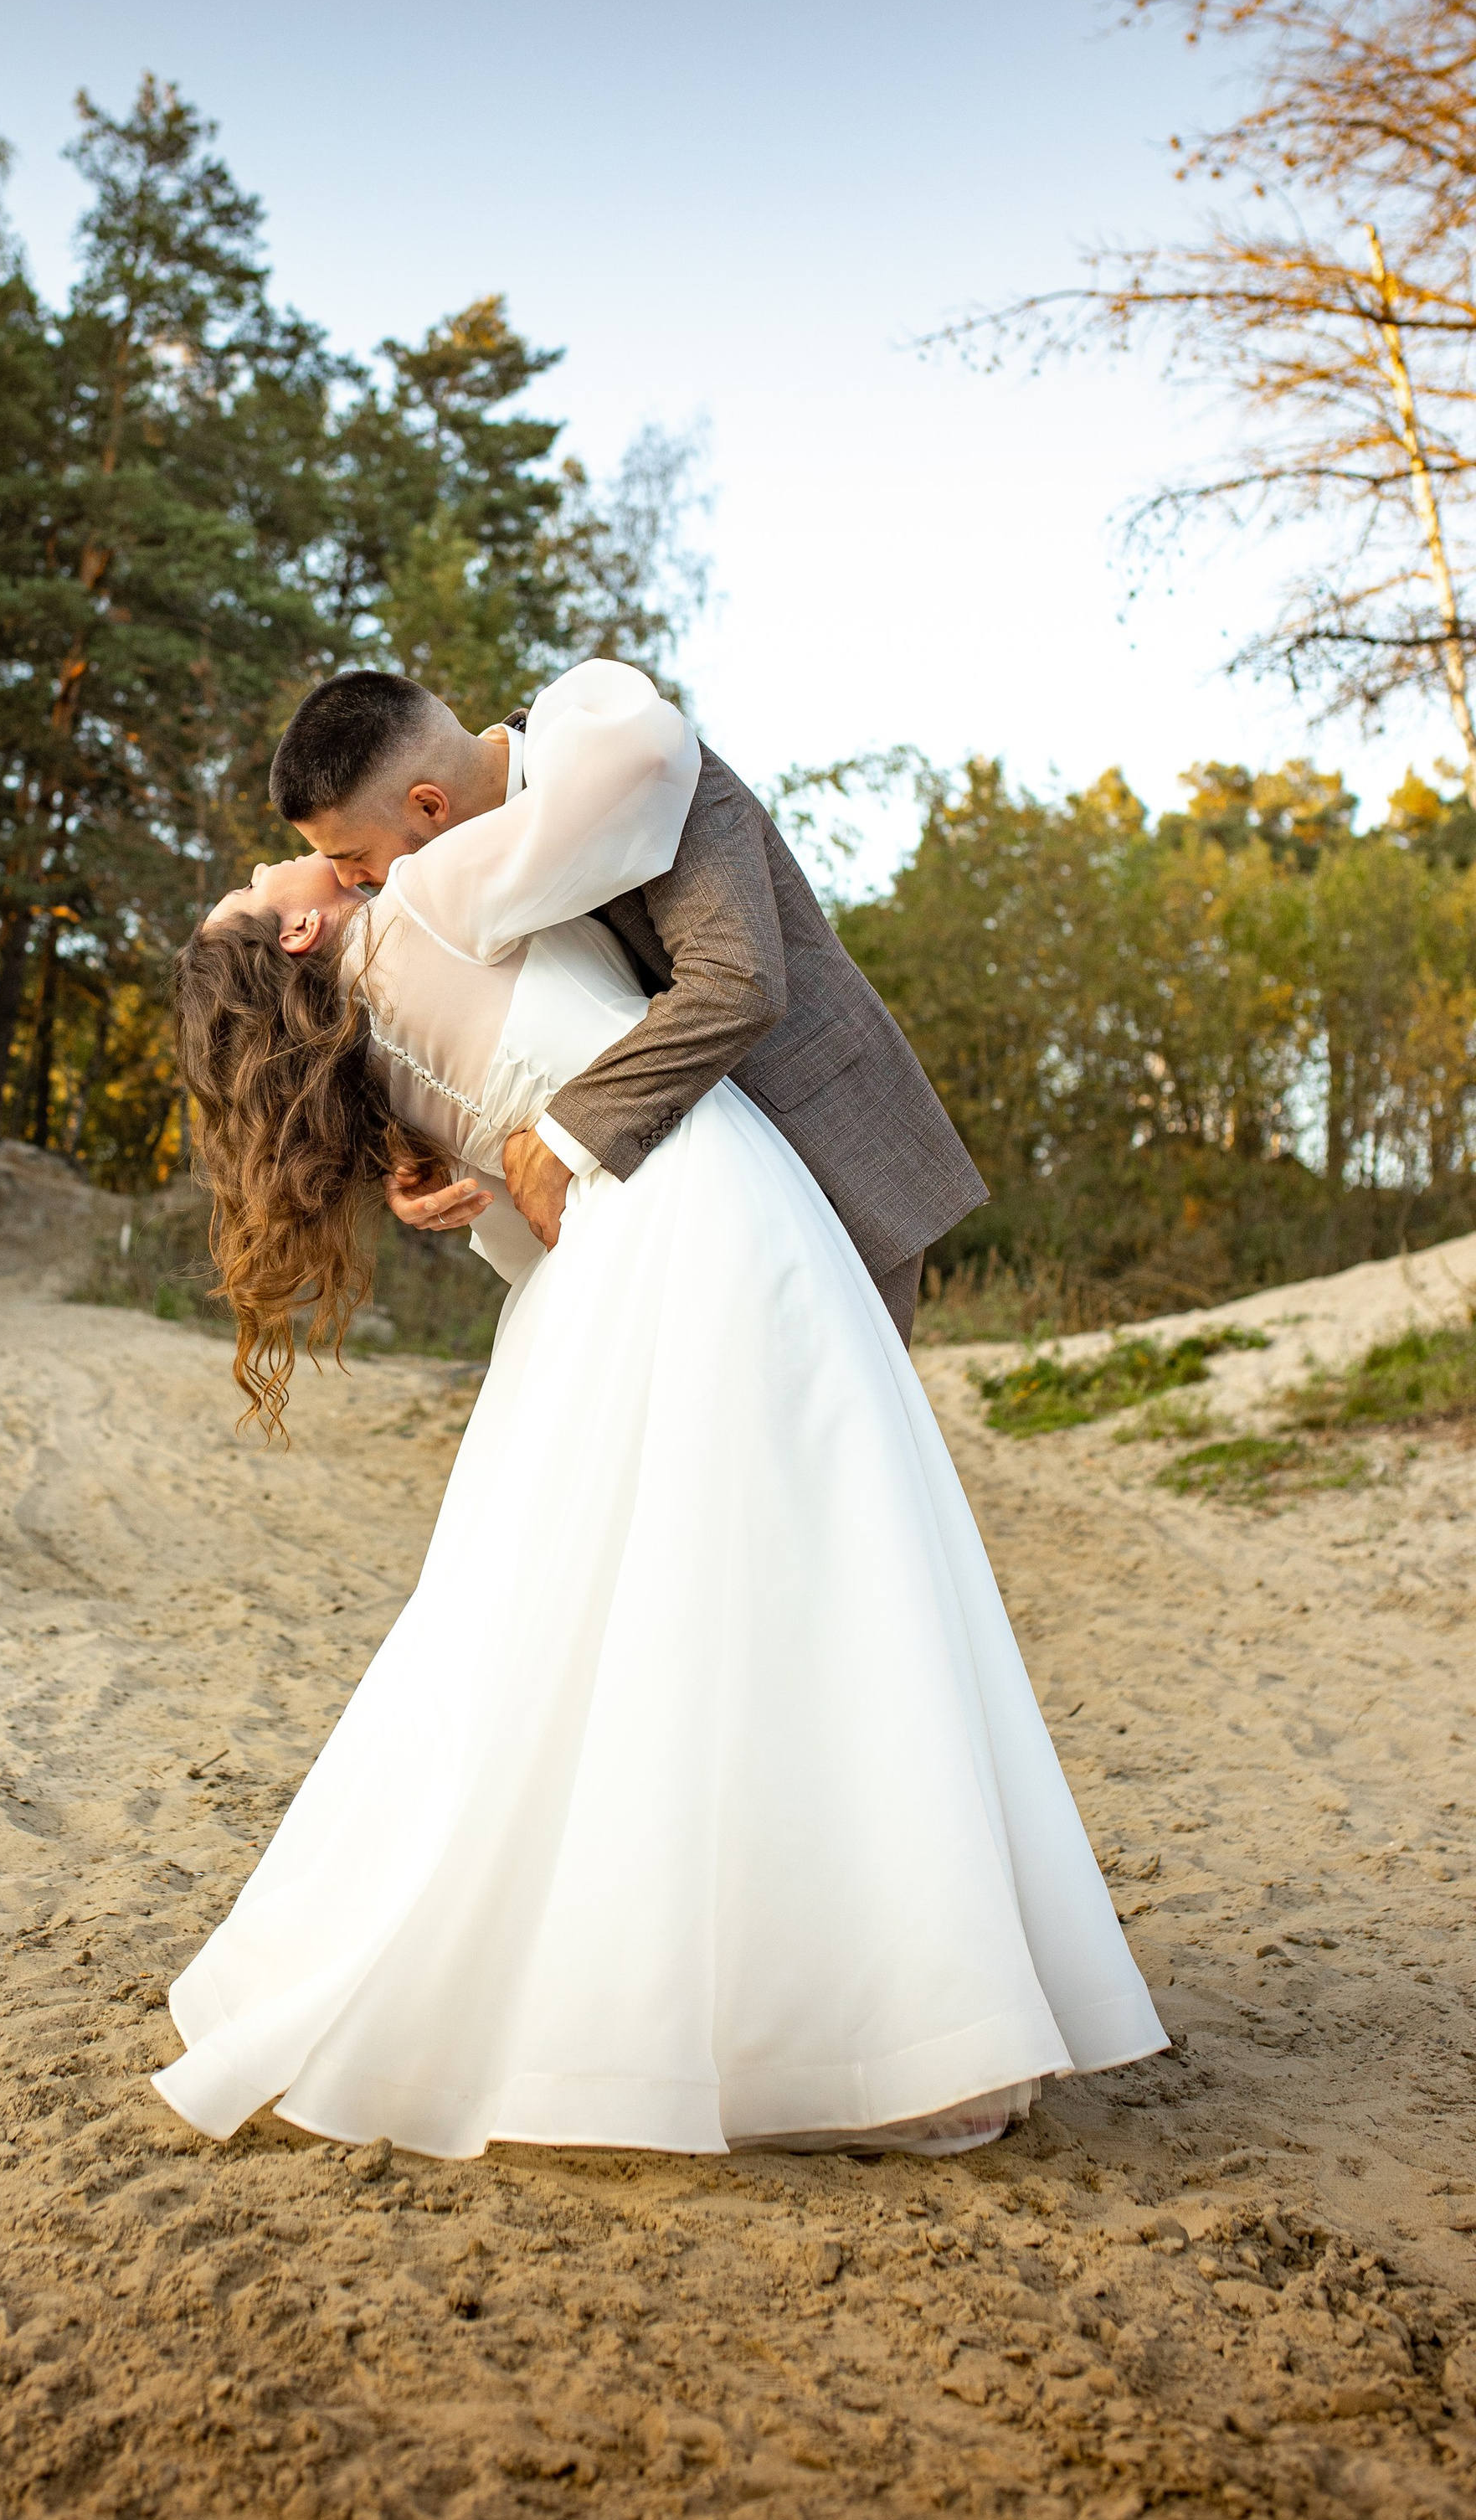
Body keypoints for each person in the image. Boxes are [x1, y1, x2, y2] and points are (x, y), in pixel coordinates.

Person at [155, 659, 1163, 2163]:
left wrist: (500, 1148)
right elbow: (537, 1062)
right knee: (807, 1595)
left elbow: (704, 975)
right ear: (304, 926)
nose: (328, 873)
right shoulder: (428, 898)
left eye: (340, 852)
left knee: (668, 1613)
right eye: (295, 877)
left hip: (702, 1202)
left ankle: (757, 1996)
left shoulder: (558, 799)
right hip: (702, 1210)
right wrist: (502, 1148)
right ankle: (856, 2008)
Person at [265, 665, 989, 1342]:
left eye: (353, 856)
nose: (353, 881)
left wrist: (561, 1138)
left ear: (429, 804)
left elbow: (735, 982)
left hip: (818, 1141)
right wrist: (418, 1160)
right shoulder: (455, 887)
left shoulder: (635, 761)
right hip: (659, 1208)